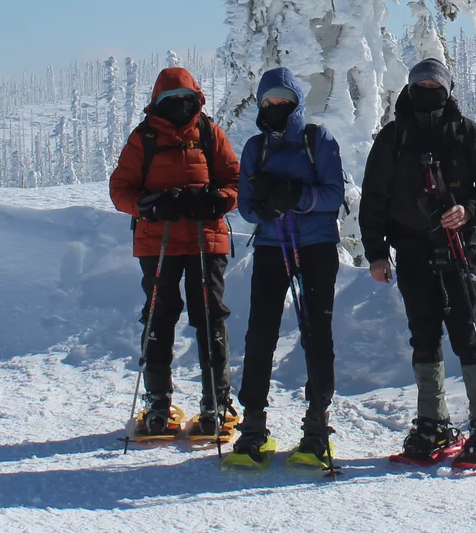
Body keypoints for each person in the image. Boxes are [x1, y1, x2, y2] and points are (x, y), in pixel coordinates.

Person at [358, 57, 476, 469]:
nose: (427, 91)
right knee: (423, 335)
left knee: (467, 331)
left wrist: (468, 211)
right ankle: (433, 422)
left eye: (434, 84)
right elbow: (373, 200)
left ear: (448, 88)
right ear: (408, 89)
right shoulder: (392, 138)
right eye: (419, 85)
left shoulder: (466, 134)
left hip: (459, 248)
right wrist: (376, 253)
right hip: (410, 250)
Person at [223, 67, 347, 470]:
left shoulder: (318, 140)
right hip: (272, 246)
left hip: (316, 246)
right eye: (268, 102)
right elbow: (243, 205)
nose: (276, 107)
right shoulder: (255, 147)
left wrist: (295, 196)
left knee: (316, 331)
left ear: (295, 102)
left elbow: (334, 195)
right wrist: (262, 206)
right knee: (260, 333)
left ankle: (316, 426)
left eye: (283, 101)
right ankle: (254, 426)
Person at [109, 67, 240, 440]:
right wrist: (148, 206)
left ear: (196, 100)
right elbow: (120, 189)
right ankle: (160, 401)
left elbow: (235, 180)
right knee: (161, 317)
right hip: (160, 241)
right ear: (158, 103)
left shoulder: (209, 133)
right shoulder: (144, 138)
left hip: (202, 239)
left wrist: (216, 200)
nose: (181, 107)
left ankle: (212, 401)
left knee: (207, 317)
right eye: (173, 101)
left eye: (187, 100)